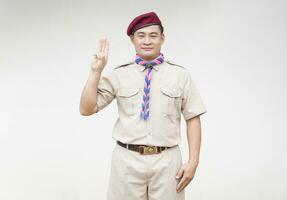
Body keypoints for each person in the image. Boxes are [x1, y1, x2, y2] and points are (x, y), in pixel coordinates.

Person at [79, 11, 207, 200]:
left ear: (162, 38)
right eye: (141, 35)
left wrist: (193, 161)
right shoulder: (119, 74)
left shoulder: (180, 75)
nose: (147, 41)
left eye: (153, 35)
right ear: (132, 39)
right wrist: (95, 72)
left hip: (167, 160)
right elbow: (86, 109)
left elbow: (193, 117)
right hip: (127, 160)